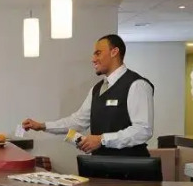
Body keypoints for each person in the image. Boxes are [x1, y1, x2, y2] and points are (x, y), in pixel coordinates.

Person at [22, 34, 154, 156]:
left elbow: (143, 130)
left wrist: (102, 139)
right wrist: (42, 126)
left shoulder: (137, 85)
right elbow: (78, 121)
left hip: (130, 166)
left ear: (114, 52)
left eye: (98, 53)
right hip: (101, 163)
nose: (93, 59)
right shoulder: (96, 89)